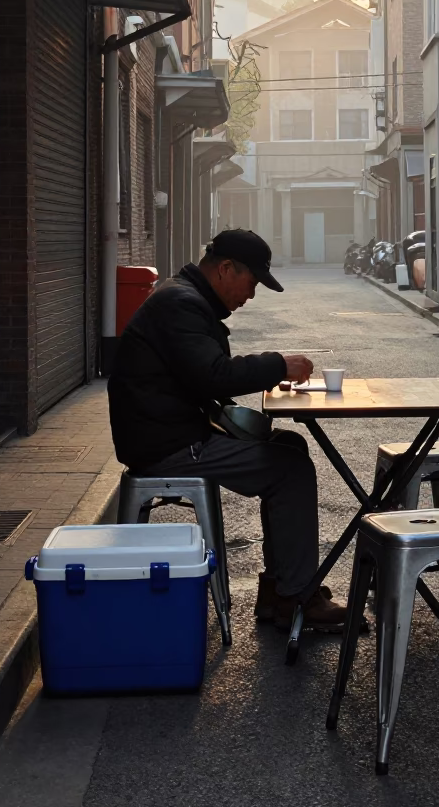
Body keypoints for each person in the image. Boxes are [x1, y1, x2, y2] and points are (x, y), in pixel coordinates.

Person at [108, 228, 351, 632]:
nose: (251, 295)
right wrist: (278, 365)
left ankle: (280, 591)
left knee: (289, 445)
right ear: (225, 269)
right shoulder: (181, 305)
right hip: (167, 443)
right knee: (289, 470)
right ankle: (296, 598)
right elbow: (214, 376)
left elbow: (202, 375)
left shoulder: (183, 297)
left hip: (170, 431)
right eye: (252, 283)